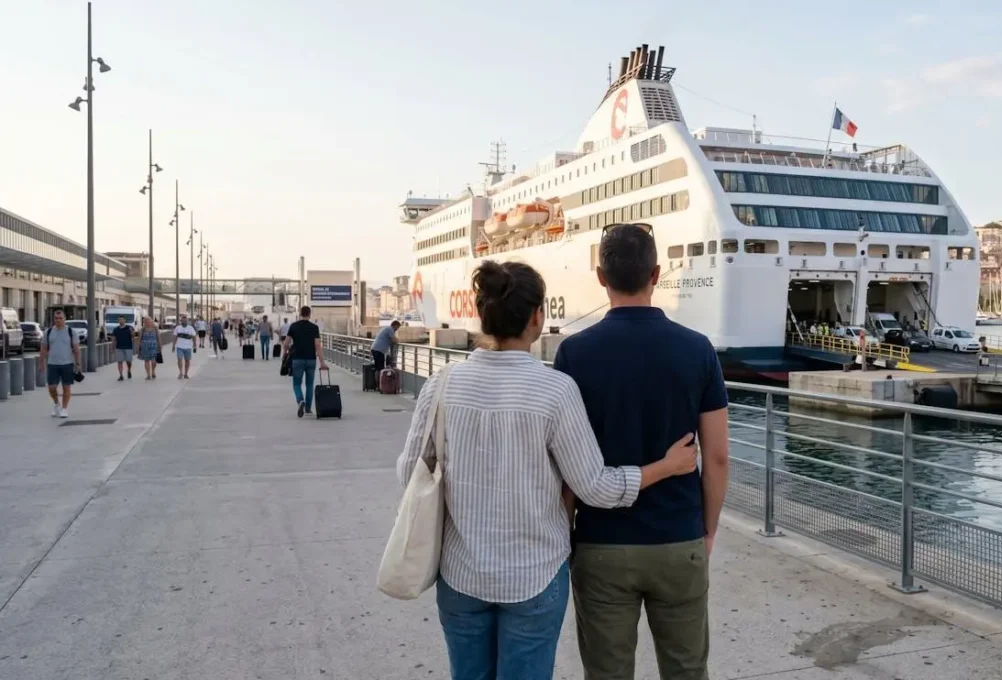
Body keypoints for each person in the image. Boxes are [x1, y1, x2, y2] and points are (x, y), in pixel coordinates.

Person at [395, 261, 698, 680]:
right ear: (537, 317)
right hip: (534, 576)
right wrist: (666, 467)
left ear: (481, 314)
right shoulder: (555, 390)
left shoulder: (441, 385)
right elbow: (595, 487)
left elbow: (409, 473)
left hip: (461, 574)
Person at [553, 224, 730, 680]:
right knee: (687, 670)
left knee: (607, 673)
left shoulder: (573, 353)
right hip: (678, 538)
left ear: (600, 277)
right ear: (656, 273)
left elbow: (565, 466)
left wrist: (567, 537)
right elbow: (717, 458)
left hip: (602, 543)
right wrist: (707, 531)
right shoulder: (698, 349)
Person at [282, 306, 328, 418]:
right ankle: (308, 408)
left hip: (297, 359)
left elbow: (286, 343)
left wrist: (285, 353)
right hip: (311, 359)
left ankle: (300, 400)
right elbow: (317, 345)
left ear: (300, 313)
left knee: (297, 384)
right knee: (309, 384)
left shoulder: (294, 326)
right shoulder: (314, 327)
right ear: (309, 314)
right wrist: (322, 362)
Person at [39, 309, 81, 418]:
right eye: (56, 318)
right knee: (51, 387)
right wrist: (41, 362)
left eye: (60, 318)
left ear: (64, 319)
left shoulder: (71, 332)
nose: (58, 320)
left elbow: (76, 349)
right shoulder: (48, 332)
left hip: (67, 363)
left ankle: (64, 409)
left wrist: (78, 364)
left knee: (66, 387)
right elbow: (44, 348)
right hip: (52, 364)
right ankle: (56, 404)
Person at [172, 313, 198, 379]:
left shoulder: (190, 328)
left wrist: (195, 345)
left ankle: (186, 373)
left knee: (187, 360)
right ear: (181, 321)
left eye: (185, 320)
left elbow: (194, 336)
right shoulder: (178, 328)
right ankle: (181, 372)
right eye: (182, 320)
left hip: (188, 347)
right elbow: (175, 337)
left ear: (187, 321)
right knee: (179, 359)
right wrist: (173, 345)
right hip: (179, 347)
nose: (183, 321)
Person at [111, 316, 137, 381]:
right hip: (119, 348)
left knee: (128, 361)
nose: (120, 321)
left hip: (128, 347)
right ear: (118, 321)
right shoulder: (116, 329)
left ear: (124, 320)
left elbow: (133, 336)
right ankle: (121, 375)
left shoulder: (129, 327)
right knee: (119, 362)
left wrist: (132, 332)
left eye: (122, 319)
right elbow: (113, 339)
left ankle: (129, 370)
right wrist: (112, 347)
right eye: (119, 320)